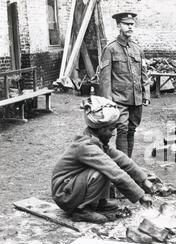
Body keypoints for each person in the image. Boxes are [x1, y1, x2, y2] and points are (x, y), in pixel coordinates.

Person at [51, 96, 154, 224]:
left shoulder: (97, 142)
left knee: (106, 168)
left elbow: (122, 159)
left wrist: (143, 180)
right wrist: (140, 195)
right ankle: (81, 210)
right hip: (63, 193)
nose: (113, 133)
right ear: (100, 129)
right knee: (103, 171)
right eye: (111, 129)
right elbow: (114, 171)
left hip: (71, 186)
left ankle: (98, 202)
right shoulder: (86, 146)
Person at [98, 12, 151, 158]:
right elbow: (105, 79)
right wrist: (108, 101)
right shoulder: (110, 49)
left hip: (136, 98)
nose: (130, 27)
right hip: (119, 98)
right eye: (126, 24)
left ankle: (128, 162)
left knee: (132, 129)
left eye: (132, 24)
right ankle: (123, 166)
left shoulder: (138, 49)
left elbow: (144, 73)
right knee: (122, 128)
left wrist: (146, 93)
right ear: (118, 26)